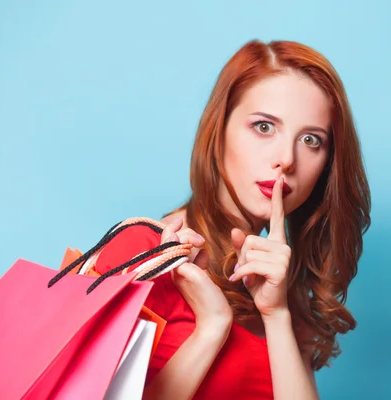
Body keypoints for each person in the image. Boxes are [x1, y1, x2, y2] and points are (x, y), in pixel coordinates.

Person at [93, 39, 371, 399]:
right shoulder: (143, 252)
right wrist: (211, 328)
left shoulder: (281, 280)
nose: (286, 158)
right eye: (264, 127)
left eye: (310, 139)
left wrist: (276, 315)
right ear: (219, 130)